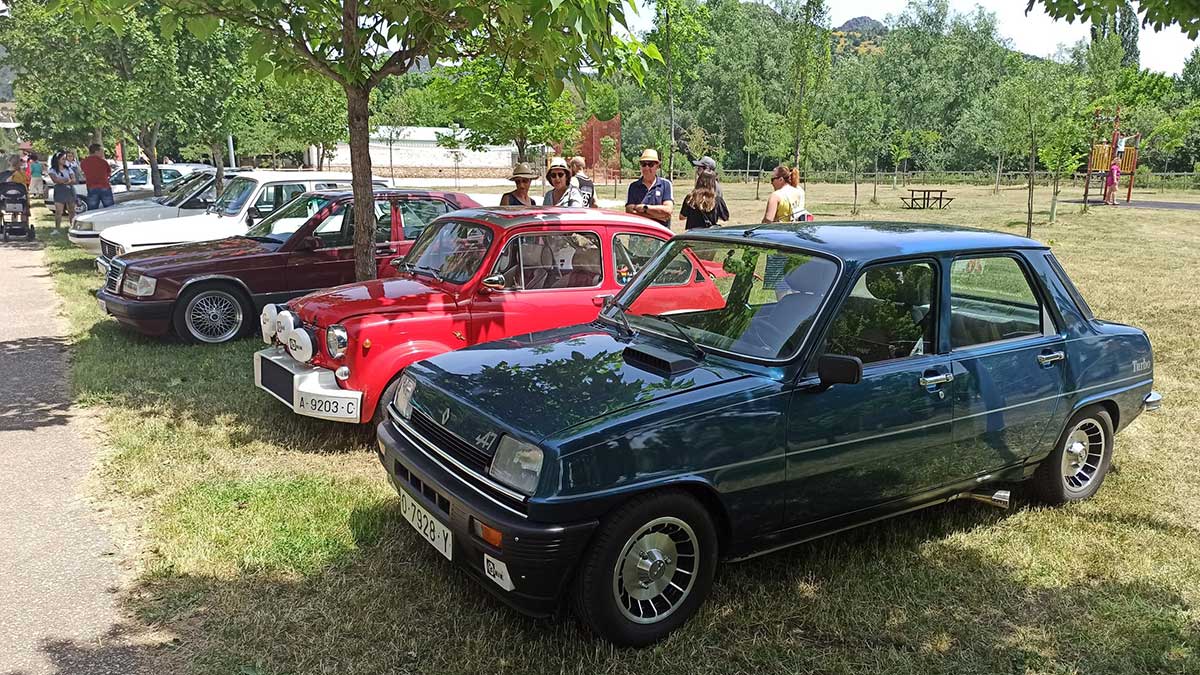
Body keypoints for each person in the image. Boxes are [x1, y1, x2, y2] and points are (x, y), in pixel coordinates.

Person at [625, 148, 673, 228]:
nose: (647, 168)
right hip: (638, 234)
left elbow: (668, 211)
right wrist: (658, 217)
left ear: (657, 166)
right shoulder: (633, 186)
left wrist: (644, 208)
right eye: (644, 164)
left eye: (650, 164)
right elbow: (629, 211)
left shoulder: (666, 185)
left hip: (660, 235)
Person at [81, 143, 114, 211]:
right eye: (101, 151)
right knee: (110, 209)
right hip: (104, 186)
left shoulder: (84, 162)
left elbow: (83, 173)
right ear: (96, 152)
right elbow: (108, 173)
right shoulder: (103, 162)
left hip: (91, 186)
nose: (102, 153)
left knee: (92, 209)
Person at [47, 152, 76, 229]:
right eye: (63, 159)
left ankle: (72, 226)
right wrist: (66, 180)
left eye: (65, 159)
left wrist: (65, 180)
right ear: (57, 160)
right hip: (59, 190)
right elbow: (56, 180)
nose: (64, 161)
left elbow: (73, 180)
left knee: (71, 210)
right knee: (59, 211)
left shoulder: (68, 169)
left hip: (69, 190)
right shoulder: (52, 170)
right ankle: (57, 228)